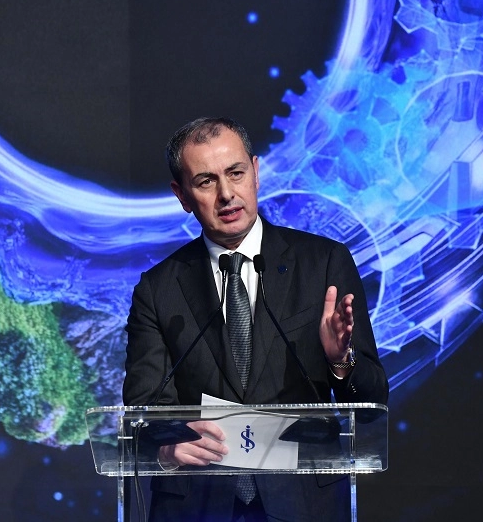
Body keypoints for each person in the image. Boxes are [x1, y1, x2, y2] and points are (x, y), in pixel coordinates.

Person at [123, 117, 389, 522]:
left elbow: (372, 404)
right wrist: (167, 449)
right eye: (206, 181)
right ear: (182, 195)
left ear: (256, 172)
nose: (227, 194)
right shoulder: (158, 289)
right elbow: (144, 412)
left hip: (305, 503)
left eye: (236, 173)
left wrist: (340, 361)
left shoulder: (323, 263)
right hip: (198, 506)